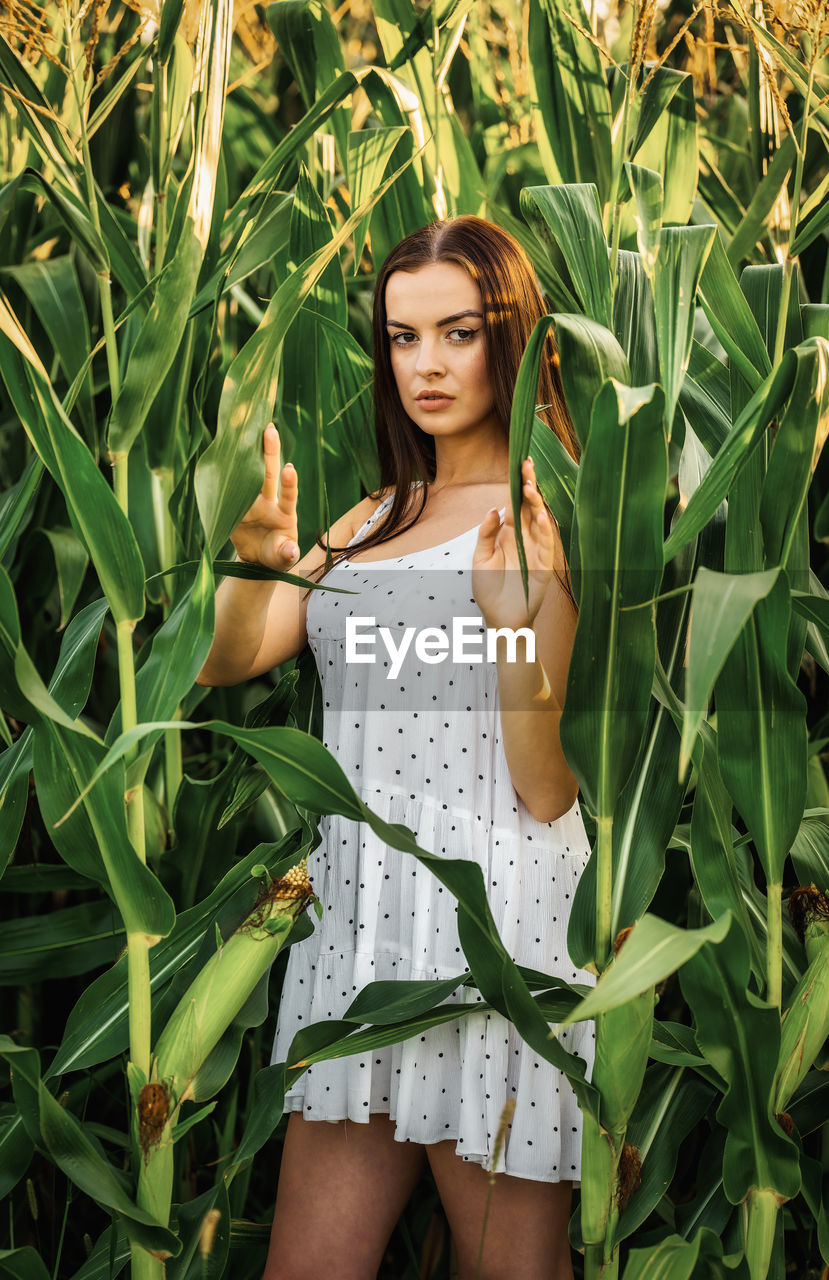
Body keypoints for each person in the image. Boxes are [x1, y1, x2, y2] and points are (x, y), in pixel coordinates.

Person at [197, 216, 596, 1280]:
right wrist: (256, 560)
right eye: (401, 337)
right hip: (357, 926)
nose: (424, 363)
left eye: (456, 333)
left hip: (490, 930)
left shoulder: (537, 517)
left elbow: (545, 788)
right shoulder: (373, 516)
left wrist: (514, 622)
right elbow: (228, 660)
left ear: (508, 339)